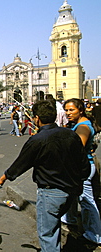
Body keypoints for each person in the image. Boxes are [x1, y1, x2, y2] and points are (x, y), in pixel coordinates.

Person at [0, 100, 90, 252]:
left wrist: (3, 178)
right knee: (54, 226)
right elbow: (84, 165)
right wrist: (78, 182)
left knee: (48, 233)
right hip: (71, 191)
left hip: (50, 193)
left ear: (37, 118)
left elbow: (22, 163)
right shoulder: (70, 135)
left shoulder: (38, 140)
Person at [61, 98, 101, 248]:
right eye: (66, 110)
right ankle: (69, 220)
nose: (68, 113)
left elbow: (76, 148)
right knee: (72, 195)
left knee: (87, 201)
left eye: (71, 110)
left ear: (81, 110)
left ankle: (94, 234)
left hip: (82, 168)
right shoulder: (80, 125)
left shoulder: (83, 127)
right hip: (80, 167)